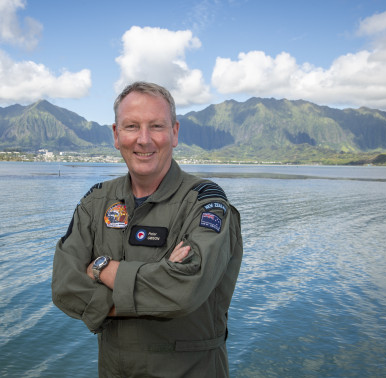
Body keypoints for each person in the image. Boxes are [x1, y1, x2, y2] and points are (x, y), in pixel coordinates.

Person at [51, 81, 243, 377]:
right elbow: (64, 286)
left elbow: (185, 290)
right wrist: (158, 281)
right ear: (116, 135)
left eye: (156, 126)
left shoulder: (205, 204)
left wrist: (102, 269)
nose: (144, 140)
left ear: (174, 133)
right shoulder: (96, 203)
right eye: (131, 127)